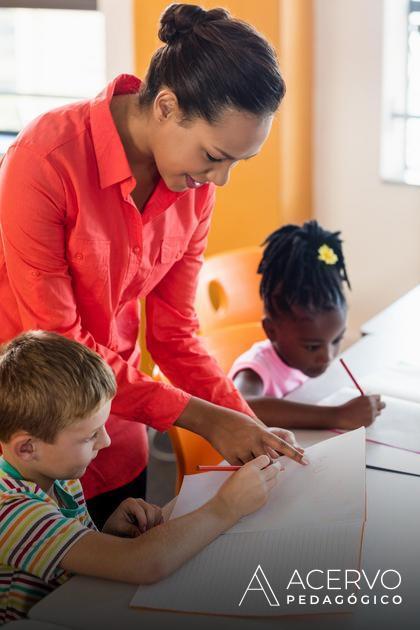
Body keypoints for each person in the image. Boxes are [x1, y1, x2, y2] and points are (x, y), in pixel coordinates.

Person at [0, 4, 302, 526]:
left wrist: (246, 427)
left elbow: (174, 334)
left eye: (236, 162)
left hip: (119, 425)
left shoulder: (194, 185)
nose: (221, 180)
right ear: (165, 105)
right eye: (214, 156)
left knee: (124, 591)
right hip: (34, 441)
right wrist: (206, 419)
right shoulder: (45, 161)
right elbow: (59, 343)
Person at [0, 331, 282, 623]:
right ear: (27, 448)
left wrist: (107, 537)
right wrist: (227, 506)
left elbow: (66, 562)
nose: (106, 441)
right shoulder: (9, 509)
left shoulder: (57, 475)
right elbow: (144, 564)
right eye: (89, 436)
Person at [230, 221, 386, 429]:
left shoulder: (303, 360)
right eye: (312, 346)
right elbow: (244, 406)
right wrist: (337, 416)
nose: (327, 356)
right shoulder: (257, 369)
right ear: (271, 331)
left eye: (336, 340)